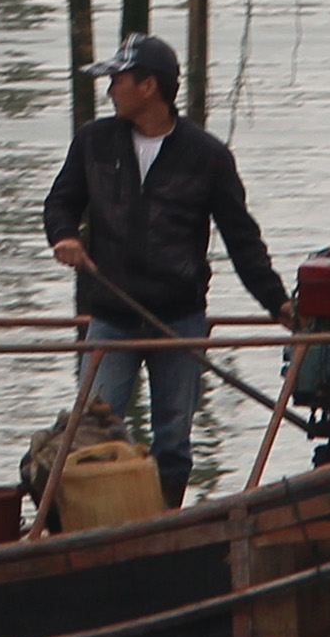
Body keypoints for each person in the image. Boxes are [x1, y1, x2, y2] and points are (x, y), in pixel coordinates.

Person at [38, 33, 287, 506]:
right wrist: (64, 236)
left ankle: (167, 521)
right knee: (95, 429)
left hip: (179, 319)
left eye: (118, 79)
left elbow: (241, 238)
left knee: (173, 440)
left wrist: (277, 302)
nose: (110, 89)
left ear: (148, 86)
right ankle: (104, 523)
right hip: (110, 316)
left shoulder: (207, 156)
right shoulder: (94, 141)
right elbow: (61, 201)